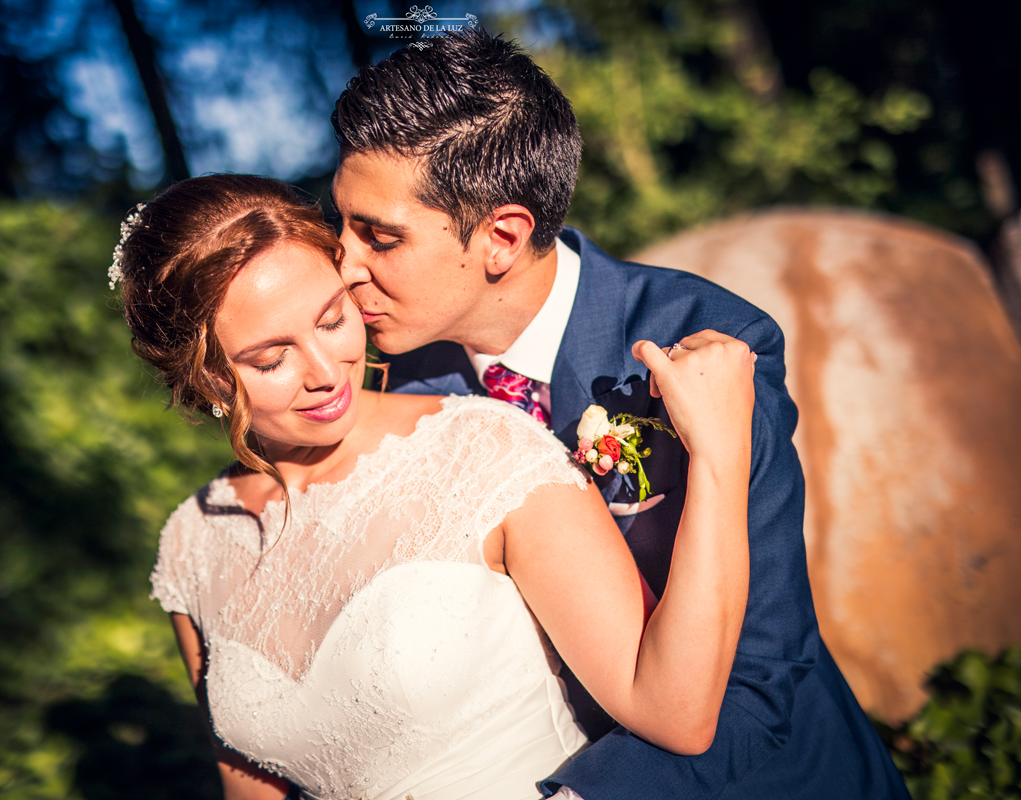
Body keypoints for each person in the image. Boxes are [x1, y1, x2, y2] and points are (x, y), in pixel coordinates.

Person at [329, 28, 908, 799]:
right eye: (340, 224)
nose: (341, 264)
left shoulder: (705, 349)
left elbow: (756, 678)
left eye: (378, 236)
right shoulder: (395, 383)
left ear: (502, 237)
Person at [114, 174, 759, 799]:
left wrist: (717, 456)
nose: (324, 370)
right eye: (271, 358)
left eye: (333, 318)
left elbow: (673, 709)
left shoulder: (485, 449)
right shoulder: (194, 540)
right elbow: (248, 782)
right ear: (201, 379)